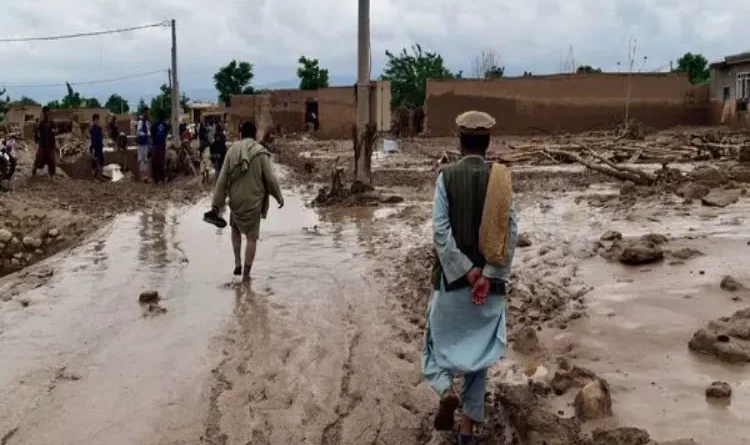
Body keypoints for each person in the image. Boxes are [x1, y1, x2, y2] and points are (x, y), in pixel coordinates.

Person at [422, 111, 517, 444]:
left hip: (451, 284)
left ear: (459, 141)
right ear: (488, 142)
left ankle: (446, 389)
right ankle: (466, 432)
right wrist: (488, 275)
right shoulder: (501, 178)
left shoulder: (445, 177)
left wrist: (466, 270)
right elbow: (510, 231)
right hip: (488, 290)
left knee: (432, 345)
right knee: (479, 357)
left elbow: (440, 231)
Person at [204, 121, 284, 281]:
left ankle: (237, 262)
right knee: (252, 238)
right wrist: (278, 196)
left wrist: (215, 206)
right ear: (255, 135)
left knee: (235, 229)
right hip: (254, 202)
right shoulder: (261, 153)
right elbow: (269, 179)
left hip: (236, 201)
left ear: (240, 134)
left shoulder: (232, 150)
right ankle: (247, 275)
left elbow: (222, 180)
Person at [32, 106, 57, 177]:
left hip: (51, 144)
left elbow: (56, 129)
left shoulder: (52, 122)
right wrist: (39, 122)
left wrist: (54, 131)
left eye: (48, 112)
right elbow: (35, 129)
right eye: (46, 112)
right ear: (43, 113)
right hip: (42, 144)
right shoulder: (40, 122)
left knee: (51, 160)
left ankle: (52, 174)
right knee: (39, 158)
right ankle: (34, 168)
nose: (47, 113)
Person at [150, 110, 170, 184]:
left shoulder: (154, 124)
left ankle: (156, 179)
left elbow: (152, 134)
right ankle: (162, 178)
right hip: (162, 146)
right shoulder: (165, 125)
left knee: (155, 163)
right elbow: (167, 131)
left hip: (155, 146)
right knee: (161, 163)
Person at [136, 107, 151, 182]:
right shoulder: (140, 122)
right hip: (141, 143)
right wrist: (145, 134)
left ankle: (146, 177)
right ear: (143, 113)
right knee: (141, 159)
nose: (148, 114)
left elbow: (149, 132)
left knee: (146, 159)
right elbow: (138, 132)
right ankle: (142, 177)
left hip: (146, 143)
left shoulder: (148, 122)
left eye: (148, 113)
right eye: (147, 113)